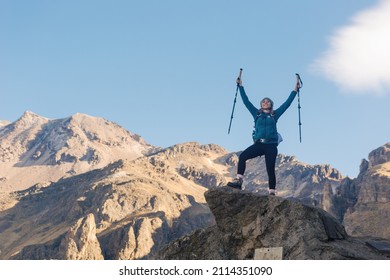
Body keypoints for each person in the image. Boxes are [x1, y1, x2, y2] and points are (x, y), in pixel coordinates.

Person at [227, 76, 300, 195]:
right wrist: (240, 86)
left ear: (271, 104)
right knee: (243, 157)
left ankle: (272, 192)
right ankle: (239, 181)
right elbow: (246, 101)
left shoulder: (275, 115)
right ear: (261, 105)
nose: (265, 102)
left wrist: (295, 90)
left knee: (270, 168)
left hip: (271, 145)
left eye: (268, 101)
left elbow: (287, 104)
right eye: (263, 101)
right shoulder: (256, 114)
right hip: (259, 144)